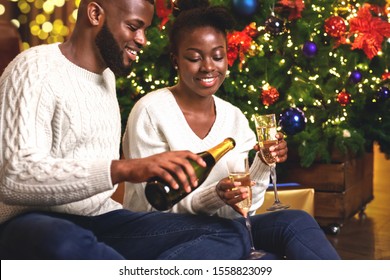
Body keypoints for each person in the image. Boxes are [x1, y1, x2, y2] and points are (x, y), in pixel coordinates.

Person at [0, 0, 253, 260]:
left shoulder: (106, 78)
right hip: (31, 223)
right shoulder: (33, 68)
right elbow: (14, 177)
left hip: (102, 220)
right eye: (134, 27)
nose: (142, 39)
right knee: (65, 241)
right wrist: (126, 169)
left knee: (229, 234)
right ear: (95, 13)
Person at [122, 0, 341, 260]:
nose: (208, 67)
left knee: (296, 222)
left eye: (218, 56)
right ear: (176, 60)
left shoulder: (234, 118)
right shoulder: (150, 111)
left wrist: (262, 162)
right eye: (194, 57)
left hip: (226, 229)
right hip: (161, 232)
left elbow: (247, 207)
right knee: (258, 256)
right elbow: (153, 205)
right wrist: (215, 196)